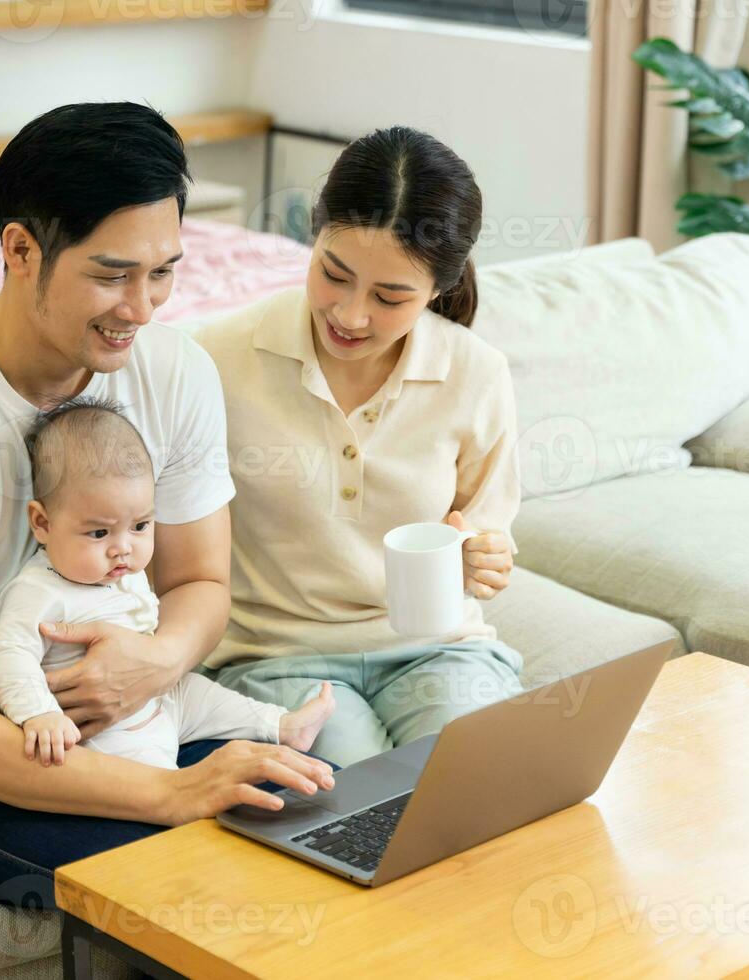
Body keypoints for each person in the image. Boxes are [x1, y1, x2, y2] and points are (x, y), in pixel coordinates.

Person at [0, 102, 333, 906]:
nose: (143, 307)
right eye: (110, 273)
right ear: (20, 250)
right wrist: (174, 794)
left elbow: (200, 584)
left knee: (311, 808)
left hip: (124, 711)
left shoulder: (175, 371)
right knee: (182, 880)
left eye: (163, 271)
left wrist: (156, 664)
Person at [197, 126, 523, 767]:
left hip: (439, 645)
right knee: (355, 803)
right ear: (312, 237)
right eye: (333, 274)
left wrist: (484, 559)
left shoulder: (475, 372)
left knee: (483, 778)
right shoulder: (218, 358)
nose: (349, 315)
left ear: (438, 289)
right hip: (275, 655)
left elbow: (487, 529)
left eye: (390, 296)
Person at [0, 396, 334, 769]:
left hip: (162, 696)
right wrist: (39, 714)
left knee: (204, 695)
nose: (122, 549)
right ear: (43, 524)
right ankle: (170, 785)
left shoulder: (125, 571)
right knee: (144, 761)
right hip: (109, 730)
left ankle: (280, 725)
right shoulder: (39, 591)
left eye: (140, 526)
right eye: (99, 532)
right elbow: (10, 655)